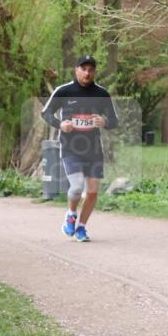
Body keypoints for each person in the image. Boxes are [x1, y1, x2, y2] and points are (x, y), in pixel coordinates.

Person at [41, 55, 120, 242]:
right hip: (70, 148)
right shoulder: (64, 91)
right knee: (76, 188)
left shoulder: (101, 94)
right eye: (83, 69)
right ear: (76, 70)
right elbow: (46, 113)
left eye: (91, 69)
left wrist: (105, 121)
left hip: (93, 150)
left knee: (92, 193)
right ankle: (70, 214)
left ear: (94, 71)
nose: (87, 73)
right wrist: (60, 124)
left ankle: (82, 228)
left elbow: (114, 121)